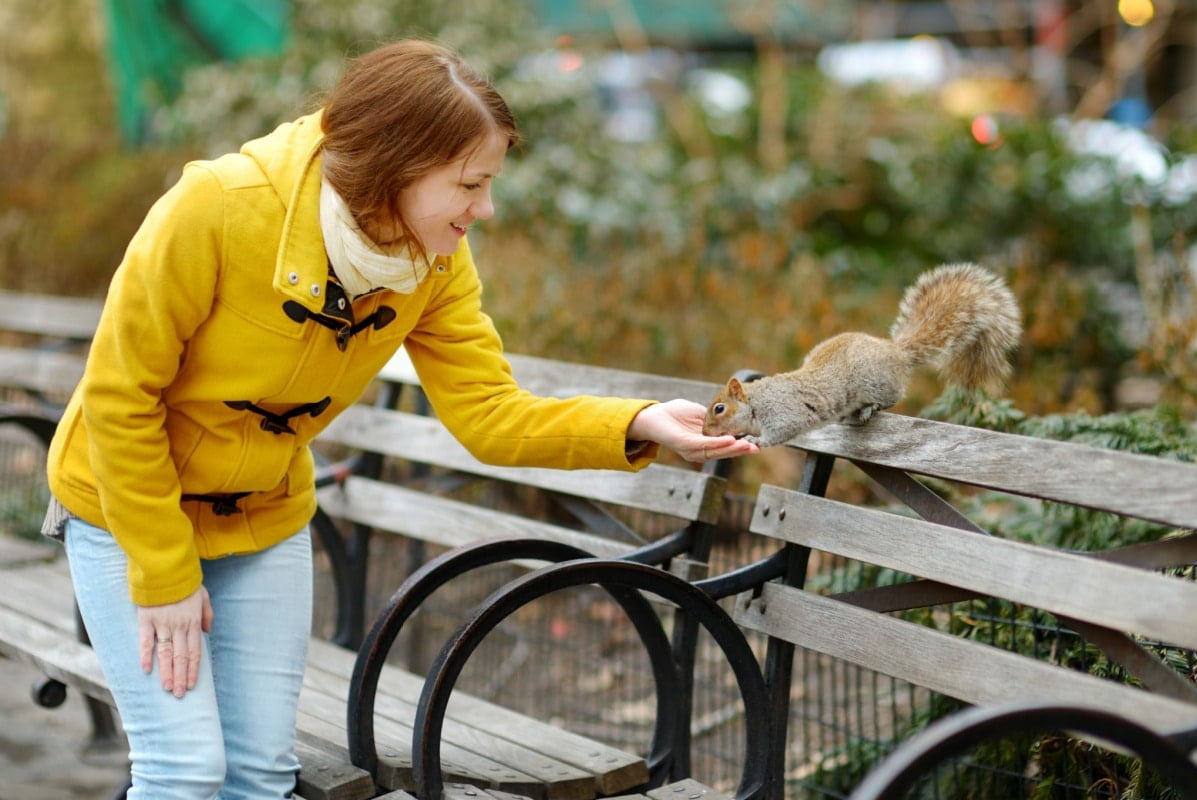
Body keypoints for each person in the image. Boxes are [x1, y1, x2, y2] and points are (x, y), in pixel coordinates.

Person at [42, 38, 756, 799]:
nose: (485, 208)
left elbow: (489, 413)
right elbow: (121, 397)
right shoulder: (216, 208)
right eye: (470, 184)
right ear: (397, 166)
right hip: (128, 513)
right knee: (185, 770)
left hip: (260, 517)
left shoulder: (435, 261)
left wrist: (642, 420)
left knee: (258, 777)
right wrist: (164, 572)